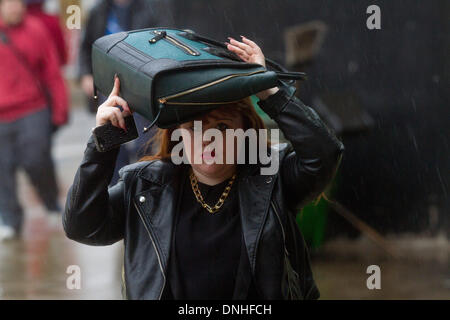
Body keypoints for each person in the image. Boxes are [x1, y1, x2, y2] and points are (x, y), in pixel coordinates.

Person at [64, 36, 344, 299]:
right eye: (194, 128)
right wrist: (105, 141)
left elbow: (324, 155)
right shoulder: (144, 187)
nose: (208, 139)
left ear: (244, 131)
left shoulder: (273, 177)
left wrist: (269, 89)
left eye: (222, 127)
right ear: (179, 136)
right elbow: (82, 226)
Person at [78, 0, 175, 184]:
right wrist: (86, 75)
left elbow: (164, 44)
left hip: (141, 86)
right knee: (113, 145)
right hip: (109, 86)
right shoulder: (99, 11)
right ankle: (116, 193)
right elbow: (86, 48)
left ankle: (147, 187)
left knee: (145, 143)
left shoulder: (150, 8)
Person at [0, 0, 68, 240]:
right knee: (3, 169)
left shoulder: (36, 28)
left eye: (18, 3)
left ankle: (51, 203)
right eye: (9, 4)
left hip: (33, 108)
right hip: (2, 114)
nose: (14, 8)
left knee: (36, 160)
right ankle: (10, 220)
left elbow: (52, 70)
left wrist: (61, 108)